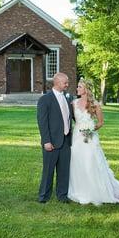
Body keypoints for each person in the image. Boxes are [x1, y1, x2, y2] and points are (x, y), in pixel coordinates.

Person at [68, 78, 119, 205]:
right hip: (77, 136)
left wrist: (90, 129)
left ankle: (97, 190)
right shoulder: (73, 103)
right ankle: (80, 189)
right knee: (77, 160)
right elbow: (73, 119)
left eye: (79, 87)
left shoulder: (94, 104)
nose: (77, 89)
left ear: (86, 89)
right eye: (78, 86)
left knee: (91, 160)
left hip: (90, 137)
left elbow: (101, 122)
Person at [37, 72, 73, 203]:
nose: (67, 85)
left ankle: (62, 195)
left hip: (66, 140)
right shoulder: (45, 99)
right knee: (48, 171)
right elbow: (42, 122)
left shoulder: (68, 98)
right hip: (51, 141)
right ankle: (44, 196)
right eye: (65, 83)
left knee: (64, 171)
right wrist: (46, 141)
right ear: (57, 83)